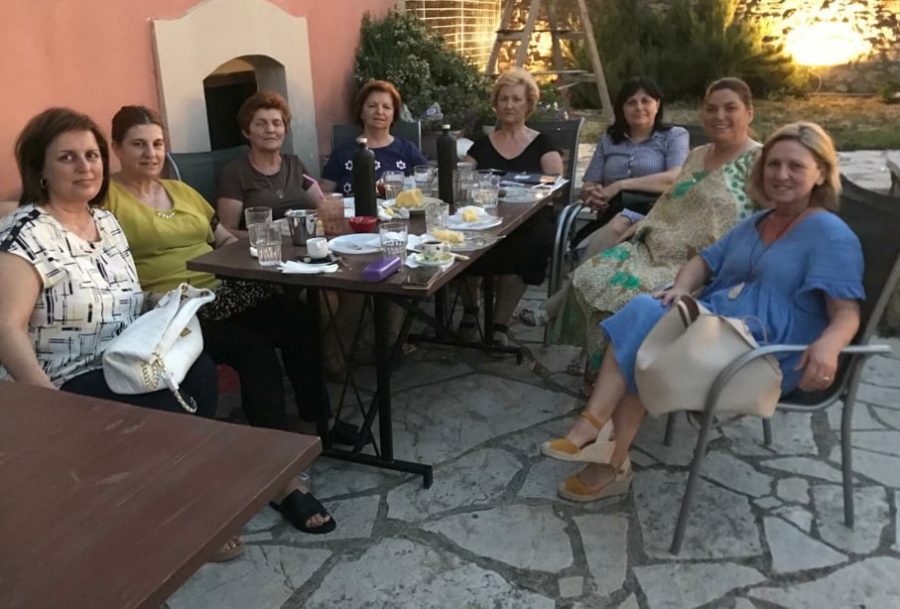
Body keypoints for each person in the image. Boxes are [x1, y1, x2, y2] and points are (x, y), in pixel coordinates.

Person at [542, 122, 863, 502]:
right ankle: (594, 430)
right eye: (773, 164)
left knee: (651, 349)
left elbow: (847, 312)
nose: (781, 174)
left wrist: (829, 346)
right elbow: (704, 261)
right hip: (718, 332)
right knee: (645, 309)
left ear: (821, 173)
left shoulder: (829, 233)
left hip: (764, 355)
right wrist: (680, 287)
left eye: (795, 166)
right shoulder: (758, 222)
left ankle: (606, 458)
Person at [0, 108, 243, 560]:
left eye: (91, 155)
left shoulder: (106, 223)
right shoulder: (25, 235)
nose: (85, 167)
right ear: (40, 170)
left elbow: (125, 295)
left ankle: (176, 492)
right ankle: (177, 514)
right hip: (67, 375)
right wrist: (46, 400)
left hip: (127, 353)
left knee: (202, 374)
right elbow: (5, 326)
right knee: (166, 403)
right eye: (67, 157)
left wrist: (161, 302)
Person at [105, 105, 335, 535]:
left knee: (297, 318)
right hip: (175, 307)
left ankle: (313, 424)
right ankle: (281, 478)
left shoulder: (181, 191)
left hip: (223, 287)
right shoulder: (106, 199)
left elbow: (224, 237)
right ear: (116, 148)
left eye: (157, 144)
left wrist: (268, 254)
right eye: (138, 144)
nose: (150, 153)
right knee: (254, 350)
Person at [554, 77, 762, 379]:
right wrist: (641, 224)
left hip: (701, 266)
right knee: (592, 274)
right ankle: (601, 370)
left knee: (627, 298)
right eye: (711, 108)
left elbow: (769, 222)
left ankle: (622, 378)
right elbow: (671, 201)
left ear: (749, 112)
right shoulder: (698, 155)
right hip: (655, 246)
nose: (719, 116)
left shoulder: (760, 162)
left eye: (730, 108)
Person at [517, 77, 689, 328]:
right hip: (610, 214)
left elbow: (675, 178)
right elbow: (590, 182)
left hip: (655, 214)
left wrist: (620, 185)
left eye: (646, 101)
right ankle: (569, 316)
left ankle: (555, 305)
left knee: (619, 224)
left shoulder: (674, 136)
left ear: (657, 104)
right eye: (631, 102)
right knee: (613, 229)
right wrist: (593, 193)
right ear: (622, 108)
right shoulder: (610, 139)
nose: (639, 107)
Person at [461, 67, 565, 345]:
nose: (509, 105)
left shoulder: (543, 144)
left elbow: (555, 187)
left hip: (529, 218)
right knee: (460, 235)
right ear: (495, 104)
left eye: (516, 99)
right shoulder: (481, 146)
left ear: (528, 104)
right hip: (485, 215)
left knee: (529, 242)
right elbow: (462, 181)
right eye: (504, 99)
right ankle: (471, 308)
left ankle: (500, 323)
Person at [217, 90, 322, 237]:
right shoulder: (235, 173)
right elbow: (225, 231)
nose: (270, 130)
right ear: (246, 132)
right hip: (264, 248)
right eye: (261, 124)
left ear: (285, 130)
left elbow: (322, 206)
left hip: (307, 242)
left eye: (276, 123)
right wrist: (271, 237)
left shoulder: (295, 164)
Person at [320, 79, 427, 195]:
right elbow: (324, 193)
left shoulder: (408, 150)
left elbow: (428, 184)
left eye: (386, 107)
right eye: (372, 106)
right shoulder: (342, 152)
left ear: (394, 114)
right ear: (361, 112)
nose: (379, 111)